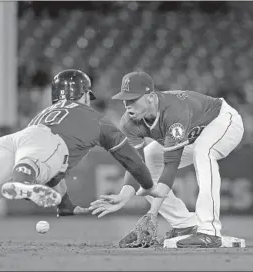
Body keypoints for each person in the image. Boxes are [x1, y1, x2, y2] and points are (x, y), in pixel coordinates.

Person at [0, 69, 164, 218]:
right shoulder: (98, 120)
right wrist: (148, 185)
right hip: (46, 145)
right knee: (36, 165)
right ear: (84, 94)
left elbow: (53, 173)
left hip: (14, 139)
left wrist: (65, 205)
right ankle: (22, 182)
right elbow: (131, 159)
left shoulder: (45, 112)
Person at [89, 71, 244, 248]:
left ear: (150, 97)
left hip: (222, 121)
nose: (128, 105)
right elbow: (136, 165)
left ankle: (210, 231)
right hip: (193, 133)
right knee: (150, 157)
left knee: (203, 152)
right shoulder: (129, 123)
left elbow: (171, 165)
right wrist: (124, 196)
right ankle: (184, 225)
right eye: (125, 100)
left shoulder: (173, 112)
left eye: (133, 99)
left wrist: (152, 212)